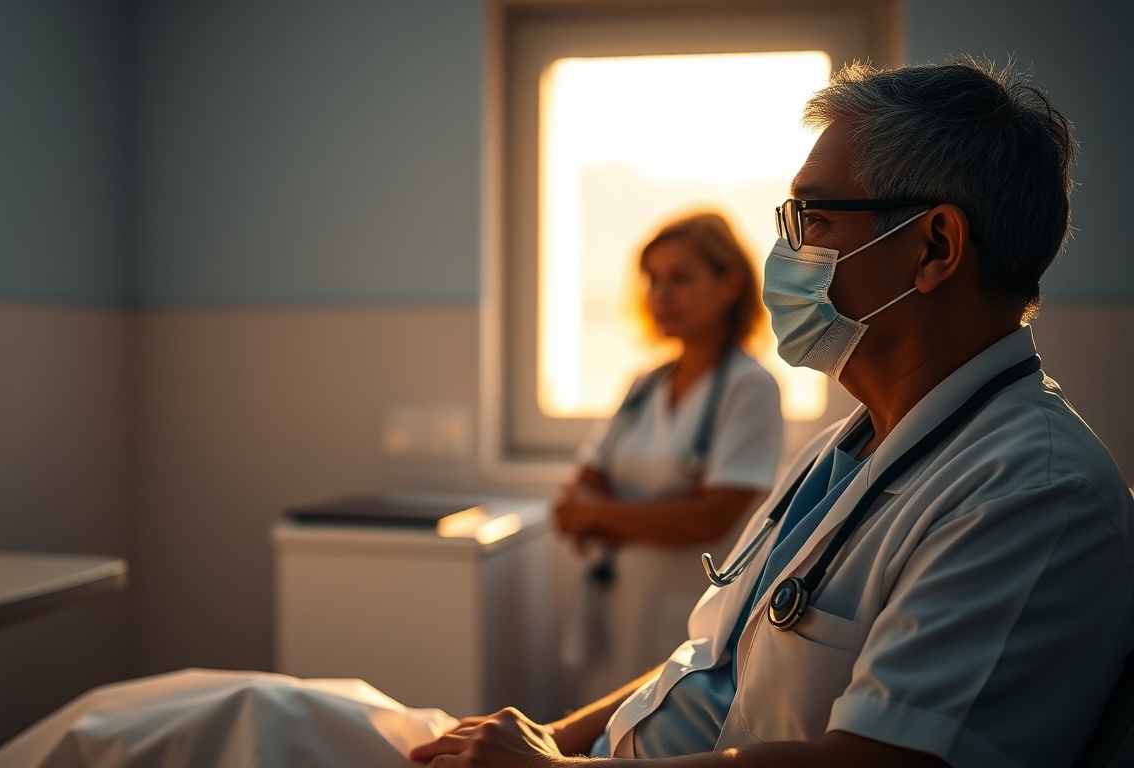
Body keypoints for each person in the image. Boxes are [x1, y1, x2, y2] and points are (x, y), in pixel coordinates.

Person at [409, 57, 1133, 767]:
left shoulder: (1032, 493)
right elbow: (709, 663)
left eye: (812, 218)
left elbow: (876, 758)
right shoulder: (845, 452)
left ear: (934, 247)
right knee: (317, 718)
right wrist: (545, 739)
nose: (786, 251)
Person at [554, 213, 783, 705]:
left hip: (684, 616)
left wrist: (598, 516)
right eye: (653, 279)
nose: (661, 294)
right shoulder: (644, 384)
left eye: (680, 278)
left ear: (730, 284)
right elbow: (580, 489)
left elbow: (710, 518)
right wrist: (621, 514)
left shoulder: (750, 388)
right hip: (612, 603)